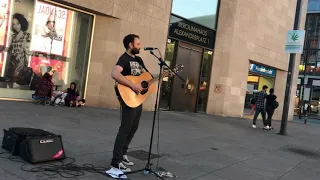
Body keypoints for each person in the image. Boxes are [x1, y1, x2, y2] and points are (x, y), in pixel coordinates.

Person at [110, 34, 150, 172]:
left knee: (133, 127)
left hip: (137, 98)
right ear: (130, 45)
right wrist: (132, 85)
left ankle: (123, 154)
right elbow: (115, 74)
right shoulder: (124, 58)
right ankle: (116, 161)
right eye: (138, 44)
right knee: (125, 128)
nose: (140, 46)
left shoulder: (139, 60)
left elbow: (146, 78)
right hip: (127, 97)